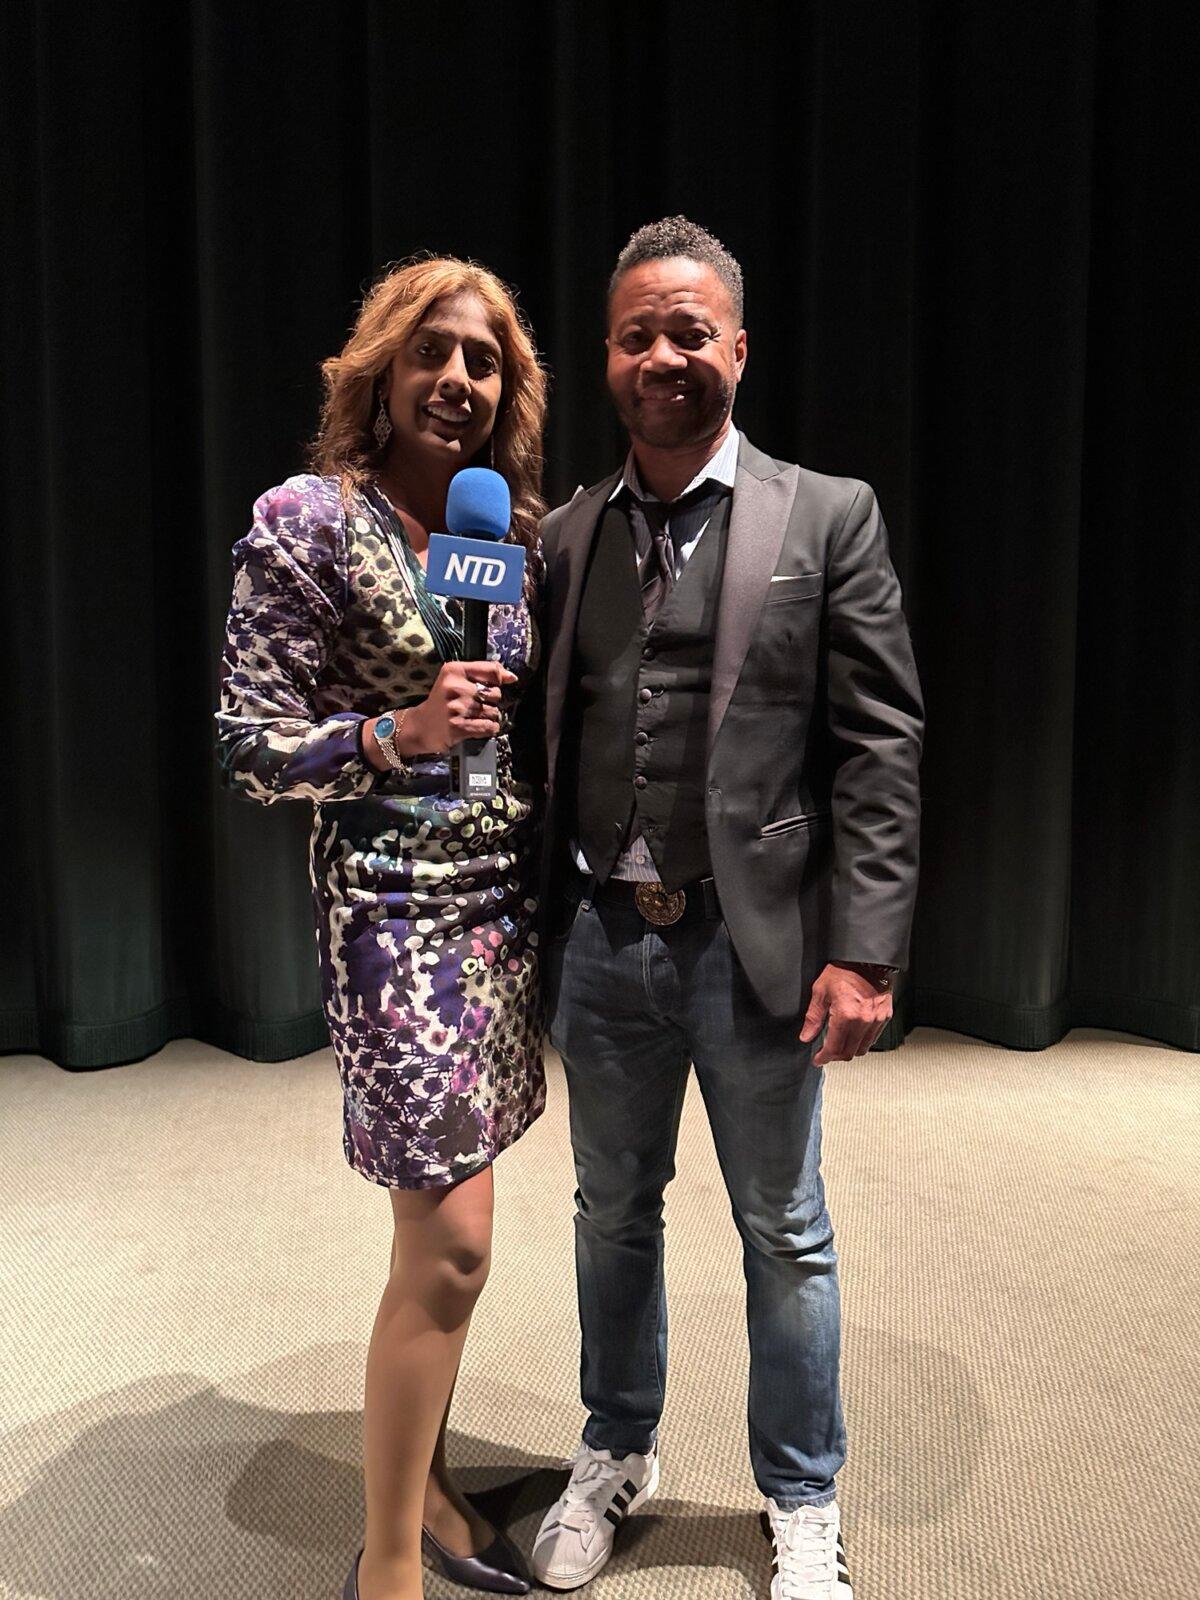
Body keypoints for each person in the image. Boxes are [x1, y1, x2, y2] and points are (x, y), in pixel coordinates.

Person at [532, 217, 924, 1599]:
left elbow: (880, 741)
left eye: (689, 329)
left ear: (738, 349)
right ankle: (613, 1449)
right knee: (610, 1214)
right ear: (608, 357)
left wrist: (864, 951)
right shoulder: (567, 530)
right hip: (601, 941)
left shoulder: (830, 514)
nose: (662, 355)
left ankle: (802, 1499)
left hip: (753, 946)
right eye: (638, 332)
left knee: (785, 1229)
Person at [216, 257, 548, 1600]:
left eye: (484, 361)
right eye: (434, 353)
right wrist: (389, 734)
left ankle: (440, 1502)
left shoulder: (502, 527)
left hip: (505, 908)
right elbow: (248, 746)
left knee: (441, 1246)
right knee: (458, 1240)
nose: (458, 380)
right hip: (396, 915)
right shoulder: (306, 520)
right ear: (381, 371)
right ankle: (392, 1563)